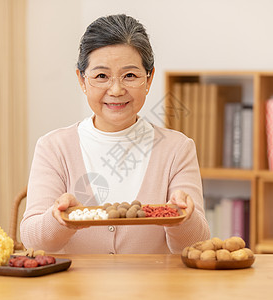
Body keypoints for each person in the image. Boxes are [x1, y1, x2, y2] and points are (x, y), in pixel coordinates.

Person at [20, 14, 209, 254]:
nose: (117, 89)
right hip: (75, 291)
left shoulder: (177, 148)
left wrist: (183, 217)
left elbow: (196, 244)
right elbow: (32, 240)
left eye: (130, 75)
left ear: (149, 79)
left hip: (155, 290)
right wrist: (61, 218)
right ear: (82, 80)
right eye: (101, 76)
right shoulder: (53, 147)